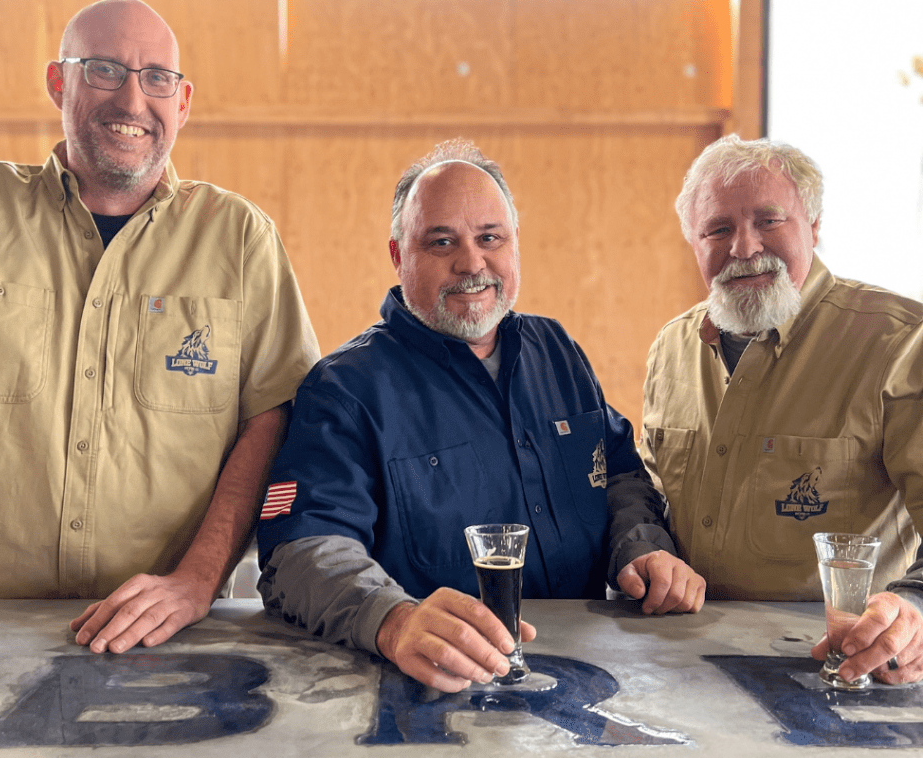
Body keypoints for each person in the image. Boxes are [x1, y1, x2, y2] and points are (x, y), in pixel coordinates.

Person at [0, 0, 318, 677]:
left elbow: (272, 423)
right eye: (104, 69)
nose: (132, 98)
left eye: (156, 78)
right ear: (58, 82)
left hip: (169, 637)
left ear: (182, 102)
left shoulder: (240, 240)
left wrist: (197, 581)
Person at [257, 139, 704, 693]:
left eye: (490, 238)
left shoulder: (558, 353)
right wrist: (393, 620)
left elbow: (617, 474)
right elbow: (301, 553)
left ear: (515, 243)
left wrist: (643, 545)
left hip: (583, 681)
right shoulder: (344, 390)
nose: (471, 263)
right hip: (427, 689)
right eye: (441, 242)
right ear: (398, 255)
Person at [641, 133, 923, 685]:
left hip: (843, 666)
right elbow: (651, 495)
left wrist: (916, 607)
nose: (744, 248)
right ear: (693, 242)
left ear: (814, 227)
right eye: (718, 229)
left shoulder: (899, 343)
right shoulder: (671, 347)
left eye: (768, 221)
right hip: (684, 669)